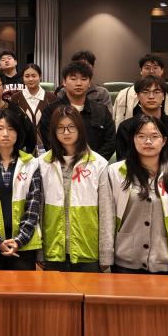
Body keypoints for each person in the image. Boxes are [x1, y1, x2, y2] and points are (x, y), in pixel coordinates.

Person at [108, 114, 168, 275]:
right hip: (125, 258)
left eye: (154, 136)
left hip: (165, 258)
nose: (148, 141)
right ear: (133, 140)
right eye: (141, 136)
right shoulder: (116, 172)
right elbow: (108, 215)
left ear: (164, 141)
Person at [39, 105, 114, 272]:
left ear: (80, 129)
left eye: (71, 127)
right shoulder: (42, 163)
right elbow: (39, 211)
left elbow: (106, 211)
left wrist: (106, 253)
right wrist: (39, 250)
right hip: (52, 250)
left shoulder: (98, 164)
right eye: (60, 128)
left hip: (87, 250)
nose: (66, 132)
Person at [0, 110, 43, 270]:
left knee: (23, 286)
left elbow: (34, 206)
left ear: (18, 133)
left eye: (11, 129)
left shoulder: (31, 163)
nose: (5, 134)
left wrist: (19, 240)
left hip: (24, 246)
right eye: (0, 128)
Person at [39, 62, 116, 160]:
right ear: (64, 82)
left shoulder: (101, 110)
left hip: (95, 165)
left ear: (89, 83)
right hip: (62, 164)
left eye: (84, 79)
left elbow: (111, 142)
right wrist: (68, 161)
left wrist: (93, 162)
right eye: (73, 79)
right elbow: (49, 142)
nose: (79, 83)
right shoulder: (51, 111)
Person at [113, 54, 168, 126]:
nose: (151, 71)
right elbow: (114, 120)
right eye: (147, 68)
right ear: (141, 70)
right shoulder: (124, 94)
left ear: (162, 70)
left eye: (155, 68)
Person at [11, 63, 57, 152]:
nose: (30, 79)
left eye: (34, 76)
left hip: (48, 146)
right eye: (27, 76)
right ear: (23, 78)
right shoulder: (16, 98)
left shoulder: (51, 97)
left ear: (40, 77)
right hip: (23, 148)